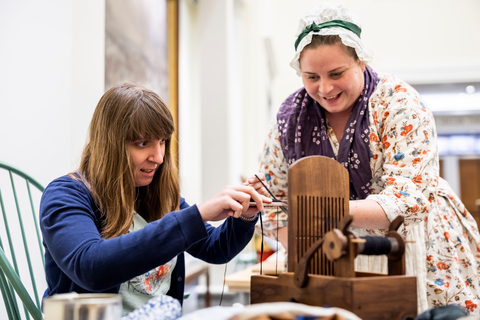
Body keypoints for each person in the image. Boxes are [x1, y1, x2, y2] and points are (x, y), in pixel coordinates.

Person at [258, 2, 480, 315]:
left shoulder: (398, 103)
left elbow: (409, 199)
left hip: (411, 243)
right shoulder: (289, 119)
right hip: (330, 254)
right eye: (311, 77)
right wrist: (304, 252)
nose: (324, 88)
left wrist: (320, 215)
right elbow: (271, 200)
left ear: (361, 62)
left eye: (336, 73)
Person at [39, 83, 271, 314]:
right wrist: (196, 215)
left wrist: (245, 217)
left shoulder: (156, 193)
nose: (159, 157)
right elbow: (91, 267)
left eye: (162, 142)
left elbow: (215, 249)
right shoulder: (65, 195)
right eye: (143, 143)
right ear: (110, 144)